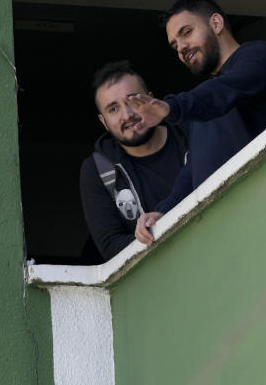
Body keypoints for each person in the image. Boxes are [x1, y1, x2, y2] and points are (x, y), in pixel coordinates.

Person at [127, 0, 266, 246]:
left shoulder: (258, 56)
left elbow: (225, 92)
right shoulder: (206, 101)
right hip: (228, 234)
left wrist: (170, 107)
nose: (181, 47)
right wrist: (163, 211)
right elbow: (196, 166)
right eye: (175, 45)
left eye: (187, 32)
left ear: (216, 23)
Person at [79, 61, 186, 260]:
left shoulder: (188, 135)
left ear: (151, 100)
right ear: (104, 122)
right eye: (113, 109)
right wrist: (149, 235)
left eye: (133, 101)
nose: (127, 115)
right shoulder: (98, 170)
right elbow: (111, 246)